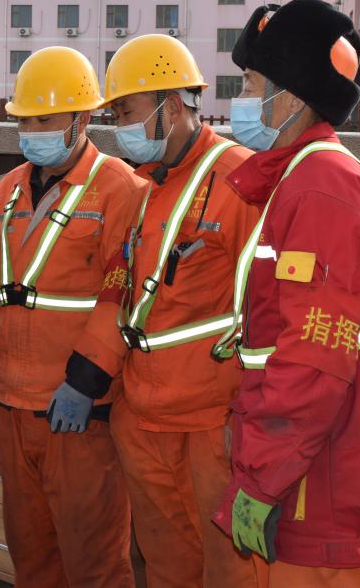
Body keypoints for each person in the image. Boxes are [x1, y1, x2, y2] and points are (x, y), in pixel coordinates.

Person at [212, 0, 360, 588]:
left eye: (250, 83)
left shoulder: (318, 190)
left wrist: (261, 478)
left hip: (329, 477)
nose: (240, 99)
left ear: (288, 97)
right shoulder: (307, 177)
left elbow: (311, 360)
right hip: (325, 460)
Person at [0, 45, 143, 588]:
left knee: (94, 559)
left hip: (77, 410)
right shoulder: (9, 188)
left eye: (45, 121)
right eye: (25, 121)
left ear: (83, 120)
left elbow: (124, 295)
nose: (31, 132)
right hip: (9, 404)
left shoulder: (120, 188)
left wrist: (86, 382)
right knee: (31, 553)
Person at [102, 34, 260, 588]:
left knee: (231, 571)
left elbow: (269, 309)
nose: (119, 126)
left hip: (210, 425)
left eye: (126, 111)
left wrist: (252, 421)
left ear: (170, 106)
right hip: (144, 417)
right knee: (167, 564)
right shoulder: (144, 185)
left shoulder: (240, 180)